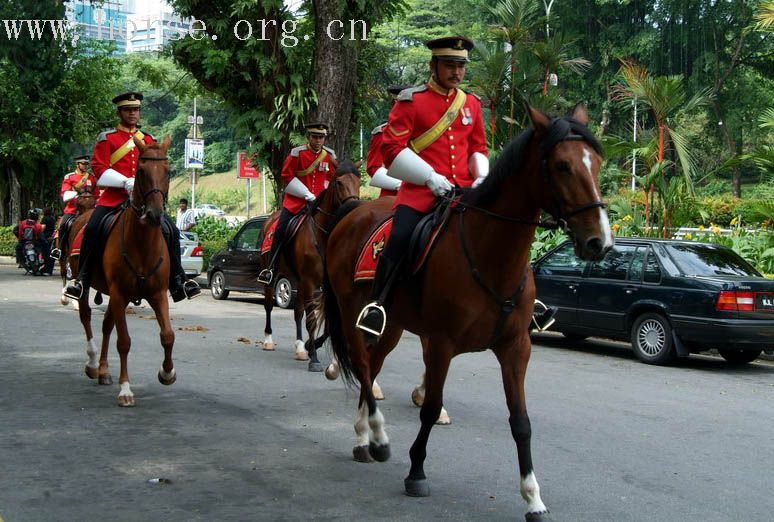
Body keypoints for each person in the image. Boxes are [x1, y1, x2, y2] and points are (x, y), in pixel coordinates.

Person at [356, 36, 490, 339]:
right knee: (400, 238)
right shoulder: (411, 101)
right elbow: (391, 149)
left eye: (461, 66)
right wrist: (429, 177)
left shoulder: (470, 104)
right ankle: (378, 305)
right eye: (450, 65)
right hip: (420, 195)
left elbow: (478, 148)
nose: (456, 72)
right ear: (434, 65)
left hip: (463, 194)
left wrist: (481, 176)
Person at [64, 91, 201, 302]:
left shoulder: (147, 139)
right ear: (119, 112)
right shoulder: (107, 138)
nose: (132, 114)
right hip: (113, 198)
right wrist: (124, 182)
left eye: (135, 109)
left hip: (144, 201)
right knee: (91, 229)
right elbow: (100, 169)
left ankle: (178, 281)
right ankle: (81, 280)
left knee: (171, 230)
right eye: (128, 110)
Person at [257, 122, 337, 285]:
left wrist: (323, 194)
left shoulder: (330, 156)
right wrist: (307, 194)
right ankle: (271, 269)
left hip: (320, 204)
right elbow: (287, 176)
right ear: (308, 137)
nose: (318, 141)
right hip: (297, 203)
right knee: (280, 231)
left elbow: (330, 178)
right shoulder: (297, 153)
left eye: (321, 137)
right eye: (315, 137)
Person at [50, 155, 98, 261]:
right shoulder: (69, 177)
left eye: (87, 164)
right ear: (77, 164)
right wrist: (76, 195)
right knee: (63, 225)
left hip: (89, 211)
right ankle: (59, 250)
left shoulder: (91, 178)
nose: (86, 166)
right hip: (73, 210)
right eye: (83, 164)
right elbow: (65, 192)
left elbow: (97, 193)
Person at [366, 85, 410, 198]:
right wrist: (399, 184)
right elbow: (373, 168)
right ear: (393, 104)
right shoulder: (382, 133)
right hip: (392, 196)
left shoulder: (424, 132)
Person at [40, 208, 56, 274]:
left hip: (45, 238)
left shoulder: (45, 218)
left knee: (45, 254)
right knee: (50, 253)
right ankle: (49, 270)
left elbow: (43, 227)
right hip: (51, 237)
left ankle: (46, 269)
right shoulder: (52, 218)